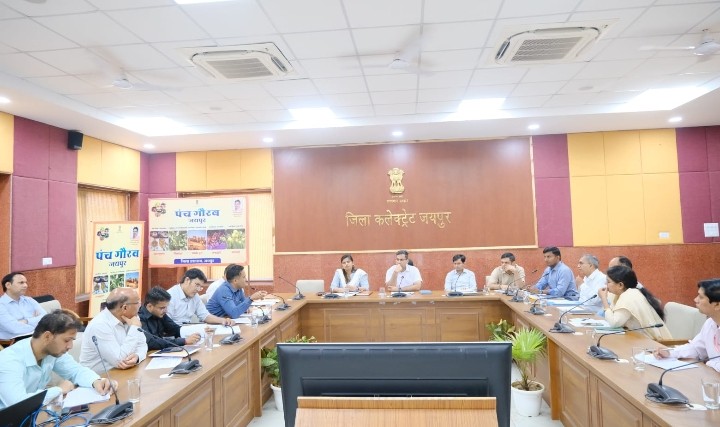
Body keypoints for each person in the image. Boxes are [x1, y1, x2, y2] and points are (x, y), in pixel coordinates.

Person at [0, 310, 115, 409]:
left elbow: (76, 371)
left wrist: (96, 381)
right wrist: (58, 389)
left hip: (34, 413)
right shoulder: (9, 360)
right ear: (47, 336)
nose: (70, 346)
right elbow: (17, 404)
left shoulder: (52, 352)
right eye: (66, 340)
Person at [653, 278, 720, 372]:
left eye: (701, 297)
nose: (695, 300)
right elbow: (696, 348)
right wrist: (670, 353)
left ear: (717, 305)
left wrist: (710, 364)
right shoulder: (710, 323)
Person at [80, 287, 148, 374]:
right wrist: (135, 328)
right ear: (125, 308)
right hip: (99, 378)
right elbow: (120, 360)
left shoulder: (132, 317)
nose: (140, 305)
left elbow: (142, 345)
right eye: (138, 302)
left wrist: (137, 356)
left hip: (123, 373)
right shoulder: (99, 325)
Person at [597, 266, 671, 341]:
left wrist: (604, 299)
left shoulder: (629, 296)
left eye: (608, 282)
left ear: (620, 285)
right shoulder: (625, 293)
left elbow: (614, 323)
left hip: (649, 342)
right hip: (635, 338)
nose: (606, 284)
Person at [166, 268, 234, 326]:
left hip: (187, 329)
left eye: (200, 287)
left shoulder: (195, 296)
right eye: (197, 285)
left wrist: (223, 320)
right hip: (174, 332)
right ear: (187, 280)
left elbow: (205, 316)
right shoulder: (170, 296)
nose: (198, 289)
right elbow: (167, 323)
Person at [0, 272, 47, 340]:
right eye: (21, 283)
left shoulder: (29, 300)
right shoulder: (1, 305)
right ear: (8, 285)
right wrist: (36, 322)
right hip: (14, 341)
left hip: (36, 337)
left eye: (26, 282)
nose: (25, 285)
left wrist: (26, 321)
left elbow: (45, 318)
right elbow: (15, 328)